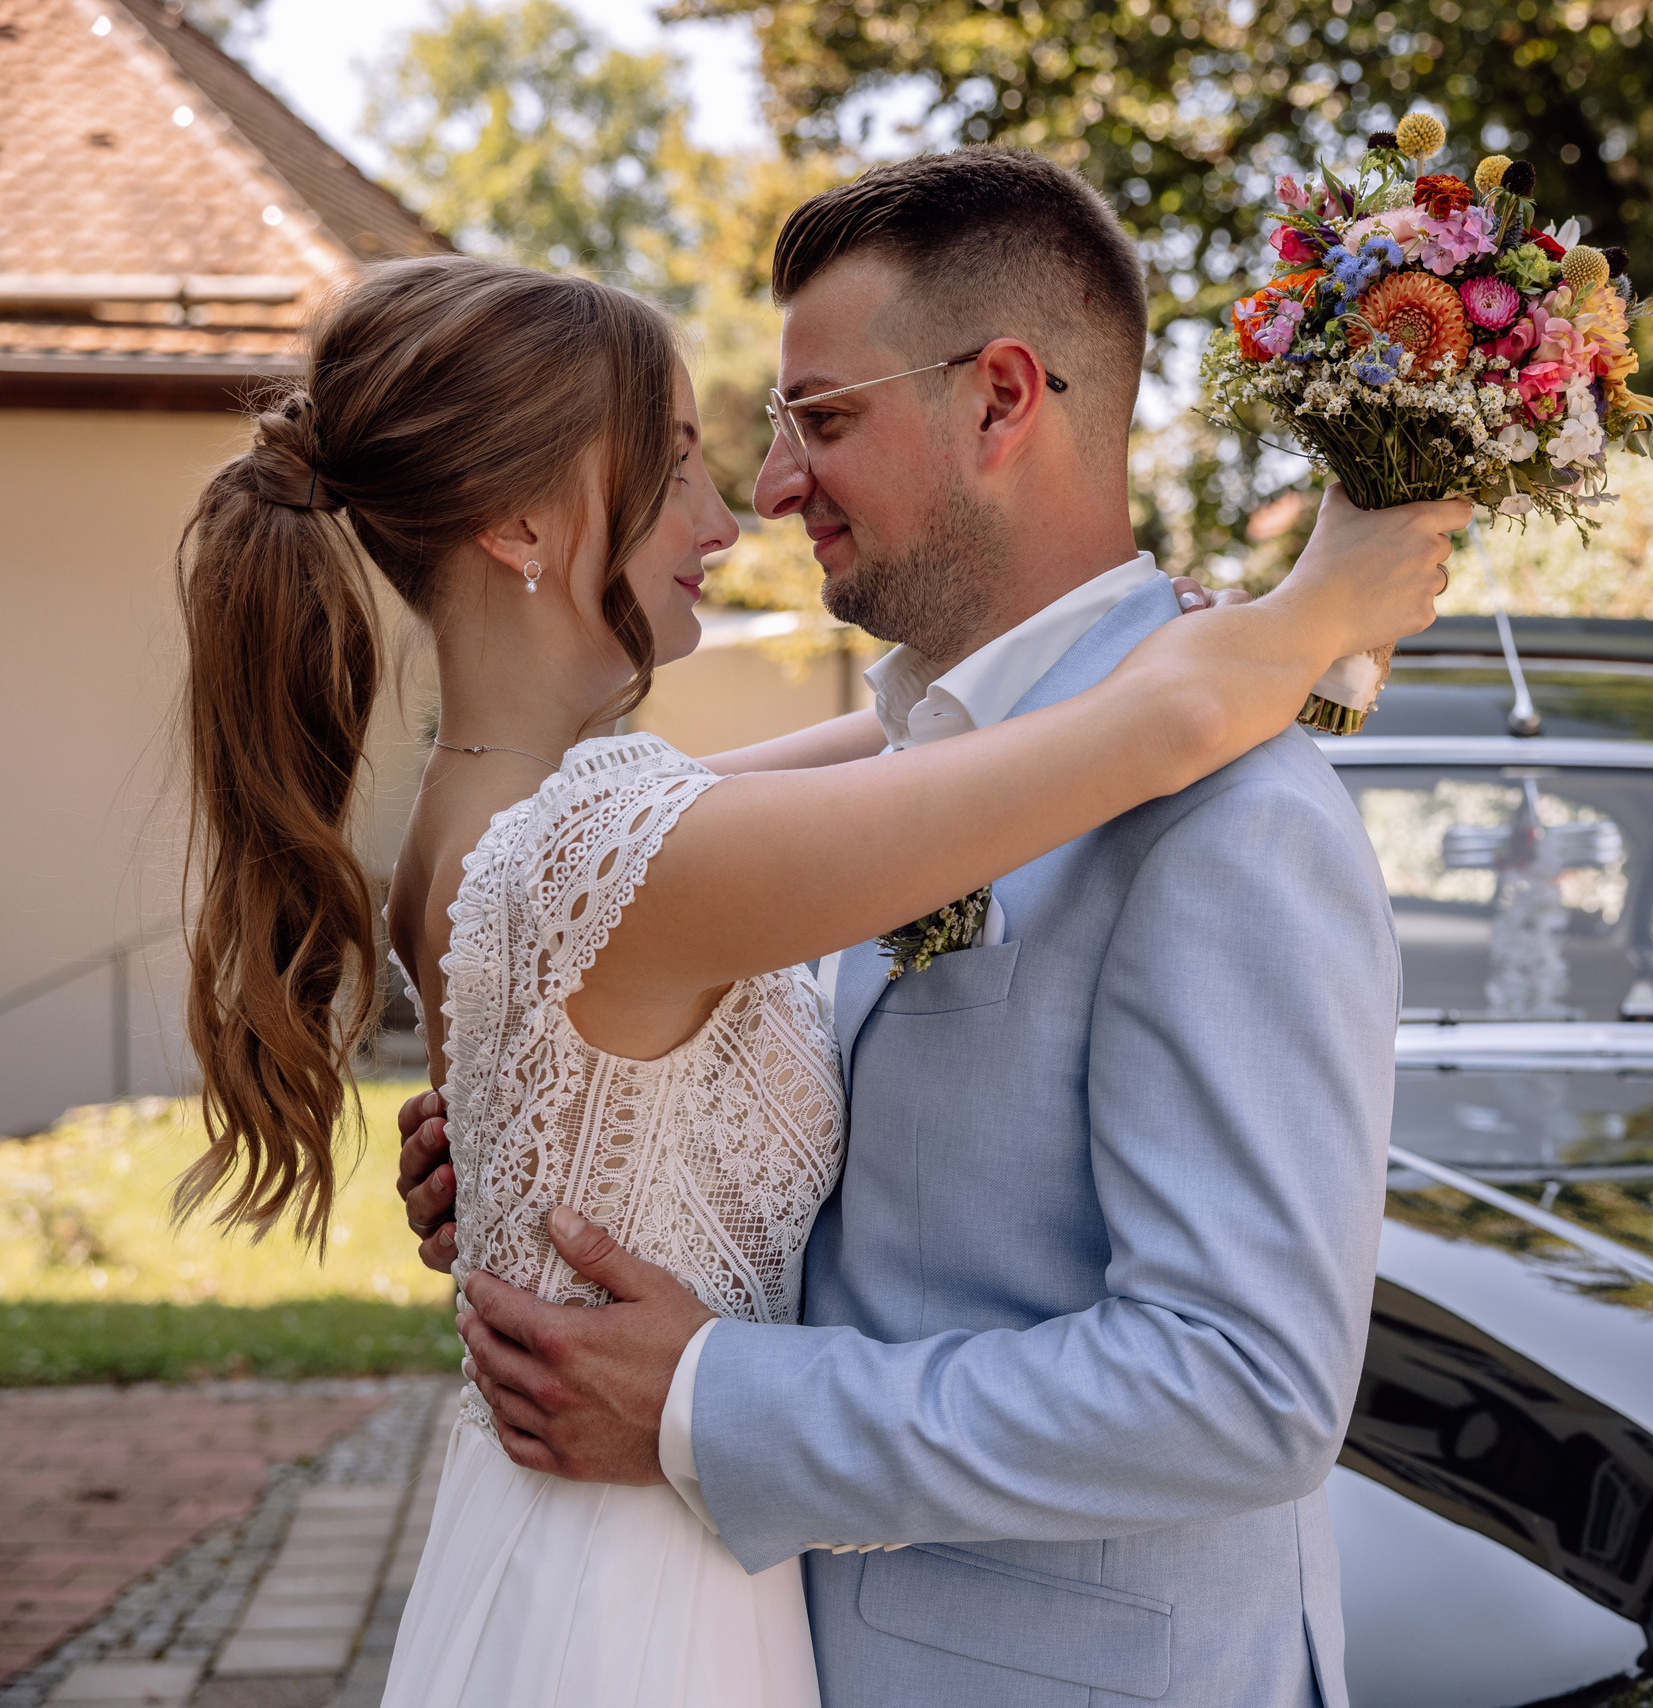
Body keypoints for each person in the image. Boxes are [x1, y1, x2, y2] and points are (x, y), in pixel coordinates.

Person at [176, 225, 1461, 1706]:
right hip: (651, 1608)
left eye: (819, 422)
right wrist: (1315, 611)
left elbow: (920, 754)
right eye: (675, 465)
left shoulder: (506, 832)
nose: (744, 510)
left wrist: (547, 1167)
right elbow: (1138, 731)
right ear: (518, 525)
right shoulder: (607, 848)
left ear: (1001, 399)